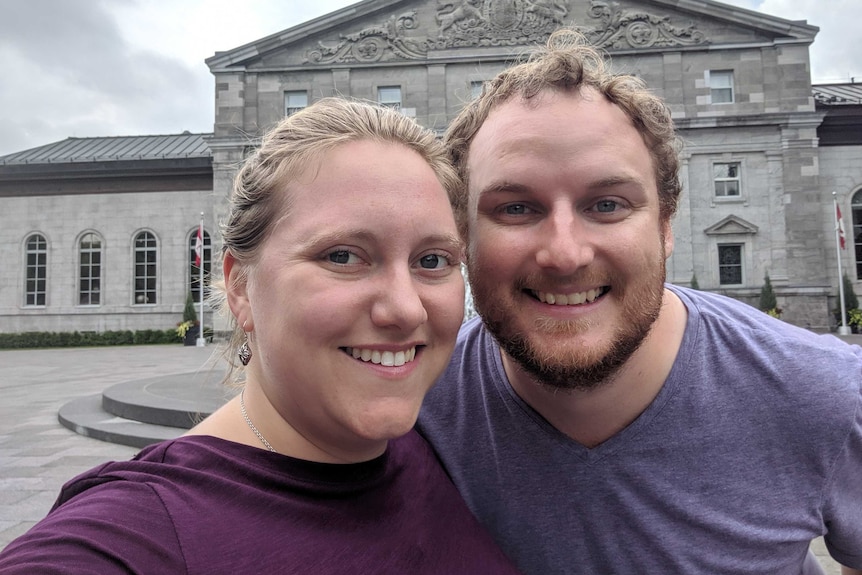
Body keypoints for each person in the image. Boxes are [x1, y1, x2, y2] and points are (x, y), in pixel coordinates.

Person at [0, 98, 521, 574]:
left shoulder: (439, 452)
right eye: (341, 256)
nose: (405, 308)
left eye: (433, 260)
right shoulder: (135, 533)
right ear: (240, 286)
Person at [417, 29, 862, 575]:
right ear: (463, 234)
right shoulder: (414, 409)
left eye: (607, 204)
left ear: (666, 224)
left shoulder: (827, 396)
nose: (565, 254)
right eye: (515, 208)